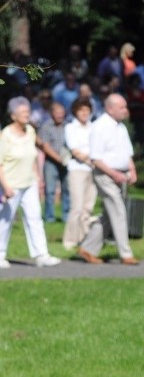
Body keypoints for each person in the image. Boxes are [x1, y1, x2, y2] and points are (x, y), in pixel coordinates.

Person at [0, 97, 62, 268]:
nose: (27, 115)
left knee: (35, 217)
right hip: (10, 184)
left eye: (28, 112)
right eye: (23, 112)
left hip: (29, 183)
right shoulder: (6, 135)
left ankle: (41, 255)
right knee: (5, 220)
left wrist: (38, 180)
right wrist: (6, 187)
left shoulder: (30, 131)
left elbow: (33, 157)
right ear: (13, 115)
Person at [78, 94, 139, 265]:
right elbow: (96, 159)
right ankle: (125, 253)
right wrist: (115, 174)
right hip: (105, 175)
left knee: (109, 214)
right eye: (122, 107)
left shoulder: (120, 127)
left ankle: (87, 248)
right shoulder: (99, 127)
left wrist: (131, 170)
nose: (125, 110)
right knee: (119, 211)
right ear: (110, 108)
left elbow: (127, 152)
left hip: (121, 175)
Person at [62, 98, 97, 250]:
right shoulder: (71, 127)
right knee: (76, 206)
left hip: (93, 170)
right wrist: (91, 160)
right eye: (81, 110)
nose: (84, 113)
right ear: (76, 112)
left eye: (87, 110)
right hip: (78, 169)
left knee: (88, 207)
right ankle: (70, 240)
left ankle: (84, 239)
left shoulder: (94, 127)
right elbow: (74, 150)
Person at [38, 101, 69, 223]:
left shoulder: (68, 125)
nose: (60, 115)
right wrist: (59, 158)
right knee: (49, 191)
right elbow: (45, 146)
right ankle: (49, 217)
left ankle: (66, 216)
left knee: (67, 190)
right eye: (57, 113)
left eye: (62, 113)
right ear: (52, 114)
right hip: (51, 162)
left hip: (66, 161)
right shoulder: (46, 127)